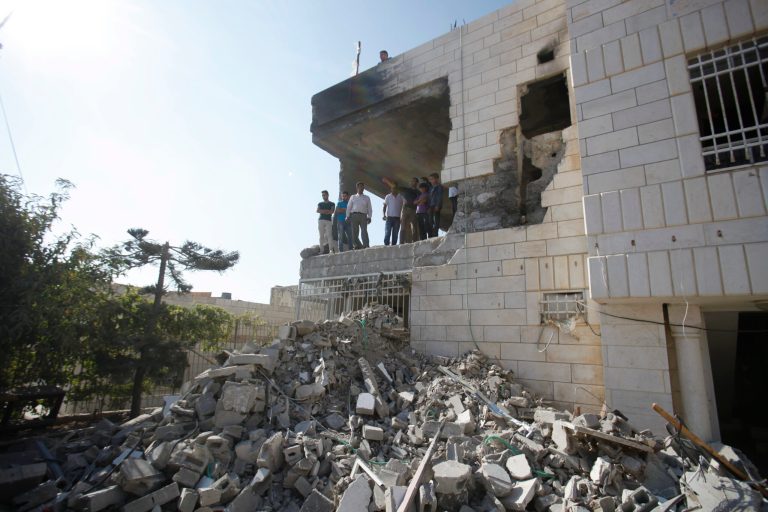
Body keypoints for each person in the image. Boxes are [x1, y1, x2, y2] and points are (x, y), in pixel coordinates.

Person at [347, 181, 372, 249]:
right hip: (354, 216)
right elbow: (349, 207)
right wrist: (347, 216)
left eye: (362, 187)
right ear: (357, 188)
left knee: (364, 231)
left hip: (363, 216)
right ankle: (357, 245)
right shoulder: (353, 197)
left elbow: (369, 208)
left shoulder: (367, 197)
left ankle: (366, 245)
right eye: (360, 186)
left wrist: (369, 217)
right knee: (354, 233)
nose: (361, 188)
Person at [399, 177, 419, 244]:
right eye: (411, 181)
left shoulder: (418, 192)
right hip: (405, 209)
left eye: (413, 181)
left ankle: (412, 242)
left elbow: (421, 199)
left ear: (416, 183)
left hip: (413, 210)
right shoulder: (407, 190)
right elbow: (395, 187)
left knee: (412, 226)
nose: (412, 182)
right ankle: (402, 242)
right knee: (403, 225)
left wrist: (417, 201)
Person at [428, 172, 444, 237]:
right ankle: (430, 234)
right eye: (430, 179)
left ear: (437, 179)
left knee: (436, 220)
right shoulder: (431, 188)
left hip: (436, 205)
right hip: (431, 205)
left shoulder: (439, 187)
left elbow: (440, 196)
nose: (431, 181)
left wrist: (438, 205)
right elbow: (430, 197)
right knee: (430, 220)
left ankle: (435, 234)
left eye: (432, 179)